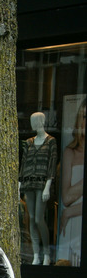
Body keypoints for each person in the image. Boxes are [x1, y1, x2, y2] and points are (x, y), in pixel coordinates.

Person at [19, 112, 58, 265]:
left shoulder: (51, 142)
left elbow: (52, 164)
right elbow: (24, 164)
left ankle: (46, 253)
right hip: (29, 183)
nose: (33, 124)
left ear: (41, 121)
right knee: (31, 220)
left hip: (42, 184)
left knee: (38, 218)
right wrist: (19, 185)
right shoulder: (28, 142)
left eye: (34, 121)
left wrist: (48, 186)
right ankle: (36, 254)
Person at [57, 99, 85, 266]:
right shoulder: (70, 152)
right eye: (83, 116)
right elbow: (66, 197)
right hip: (72, 224)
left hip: (74, 216)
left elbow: (69, 205)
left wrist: (70, 211)